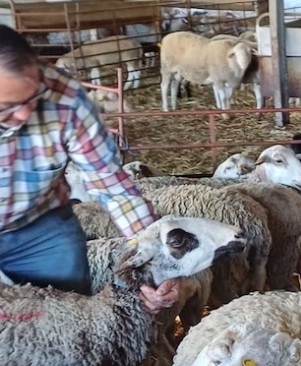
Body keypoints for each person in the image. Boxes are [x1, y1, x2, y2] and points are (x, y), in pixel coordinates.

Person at [0, 25, 177, 312]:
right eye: (7, 107)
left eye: (32, 98)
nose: (23, 114)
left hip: (41, 227)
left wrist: (154, 261)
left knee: (67, 325)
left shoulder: (65, 100)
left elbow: (114, 187)